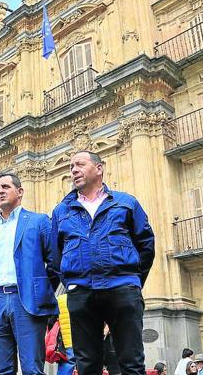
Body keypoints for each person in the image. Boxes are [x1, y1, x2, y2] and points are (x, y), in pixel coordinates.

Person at [51, 150, 155, 375]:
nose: (74, 170)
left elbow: (146, 244)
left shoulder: (126, 203)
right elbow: (56, 255)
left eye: (79, 164)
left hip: (122, 288)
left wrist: (134, 281)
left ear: (99, 169)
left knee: (131, 362)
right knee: (87, 364)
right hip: (81, 293)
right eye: (71, 167)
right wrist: (72, 283)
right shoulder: (61, 211)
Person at [0, 173, 59, 375]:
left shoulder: (38, 221)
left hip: (26, 300)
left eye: (5, 187)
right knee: (2, 370)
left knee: (32, 368)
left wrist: (38, 289)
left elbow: (55, 262)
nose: (0, 192)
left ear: (20, 191)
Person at [56, 294, 76, 375]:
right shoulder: (77, 297)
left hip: (64, 341)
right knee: (71, 362)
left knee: (66, 362)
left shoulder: (59, 299)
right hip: (76, 338)